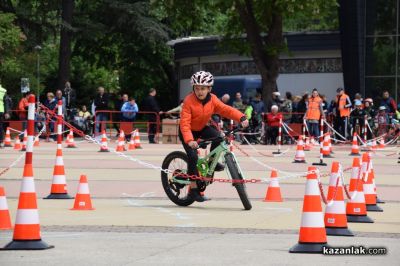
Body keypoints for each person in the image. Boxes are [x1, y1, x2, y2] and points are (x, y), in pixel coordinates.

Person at [179, 71, 249, 202]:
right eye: (197, 88)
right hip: (188, 132)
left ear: (209, 89)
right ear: (193, 88)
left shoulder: (213, 100)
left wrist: (241, 117)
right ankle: (193, 191)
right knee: (193, 156)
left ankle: (212, 162)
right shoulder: (188, 101)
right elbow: (184, 124)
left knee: (219, 137)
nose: (200, 91)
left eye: (203, 88)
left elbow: (226, 109)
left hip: (201, 128)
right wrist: (189, 141)